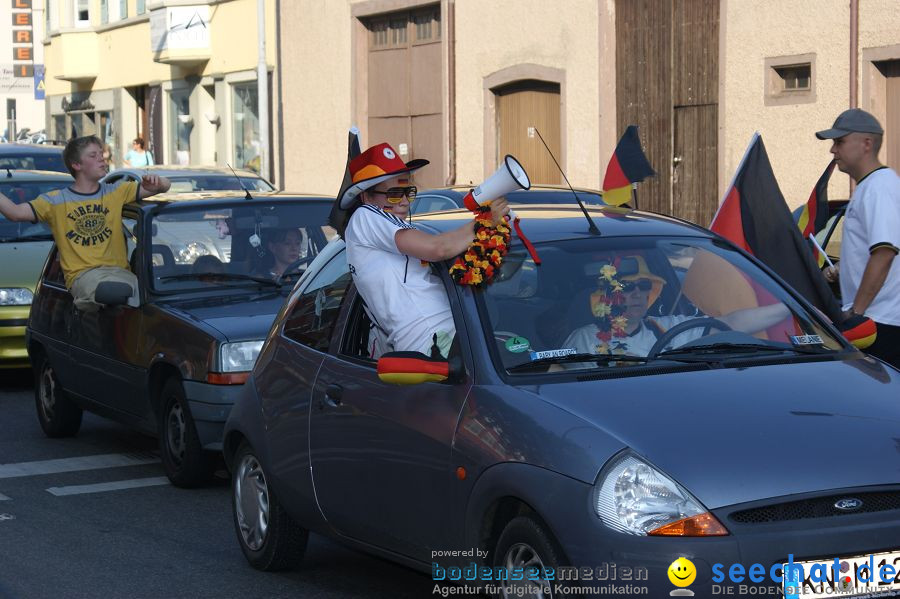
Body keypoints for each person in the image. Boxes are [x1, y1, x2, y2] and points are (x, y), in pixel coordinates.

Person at [337, 142, 508, 358]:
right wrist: (485, 222)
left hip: (448, 336)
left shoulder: (385, 227)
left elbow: (442, 246)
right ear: (366, 198)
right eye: (394, 194)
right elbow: (438, 247)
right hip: (431, 342)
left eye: (408, 192)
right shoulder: (365, 216)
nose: (404, 202)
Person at [0, 135, 170, 311]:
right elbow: (15, 212)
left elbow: (164, 186)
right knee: (115, 293)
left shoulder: (116, 191)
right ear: (77, 165)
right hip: (84, 276)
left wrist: (158, 183)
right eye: (93, 155)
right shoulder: (56, 201)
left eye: (101, 154)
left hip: (121, 274)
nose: (101, 158)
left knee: (149, 303)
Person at [561, 255, 790, 358]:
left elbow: (730, 324)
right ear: (610, 295)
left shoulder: (669, 328)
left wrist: (790, 308)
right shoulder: (586, 339)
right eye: (628, 287)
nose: (638, 293)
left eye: (644, 285)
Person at [817, 109, 900, 368]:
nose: (833, 150)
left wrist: (857, 312)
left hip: (879, 324)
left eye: (839, 142)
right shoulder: (871, 187)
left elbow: (885, 252)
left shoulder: (879, 187)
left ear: (866, 144)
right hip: (876, 321)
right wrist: (841, 270)